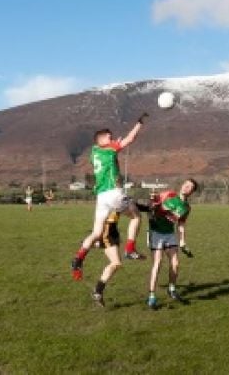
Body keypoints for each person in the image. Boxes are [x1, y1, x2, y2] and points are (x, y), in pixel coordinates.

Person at [70, 113, 148, 281]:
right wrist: (139, 123)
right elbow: (129, 139)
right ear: (101, 139)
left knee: (97, 232)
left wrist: (112, 144)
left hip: (101, 196)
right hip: (113, 192)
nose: (112, 138)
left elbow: (106, 151)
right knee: (136, 216)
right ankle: (130, 249)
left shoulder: (94, 151)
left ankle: (78, 258)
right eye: (109, 136)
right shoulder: (110, 148)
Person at [142, 178, 198, 309]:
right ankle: (151, 296)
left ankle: (171, 288)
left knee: (176, 263)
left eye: (190, 187)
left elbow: (181, 225)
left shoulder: (187, 208)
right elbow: (152, 207)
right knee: (158, 263)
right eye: (186, 184)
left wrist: (183, 242)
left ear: (192, 192)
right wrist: (153, 201)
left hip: (169, 234)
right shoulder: (169, 195)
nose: (186, 187)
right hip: (156, 232)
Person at [90, 210, 123, 308]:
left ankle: (98, 291)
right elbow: (105, 220)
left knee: (116, 264)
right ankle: (98, 291)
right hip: (108, 235)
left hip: (113, 234)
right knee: (116, 263)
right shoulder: (110, 202)